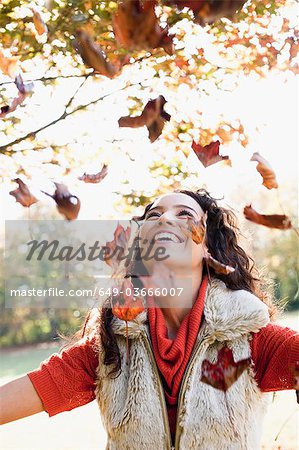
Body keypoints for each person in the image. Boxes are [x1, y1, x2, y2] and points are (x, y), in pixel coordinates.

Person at [0, 188, 298, 450]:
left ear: (208, 248)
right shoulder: (109, 347)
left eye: (184, 214)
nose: (165, 219)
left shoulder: (253, 339)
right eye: (154, 215)